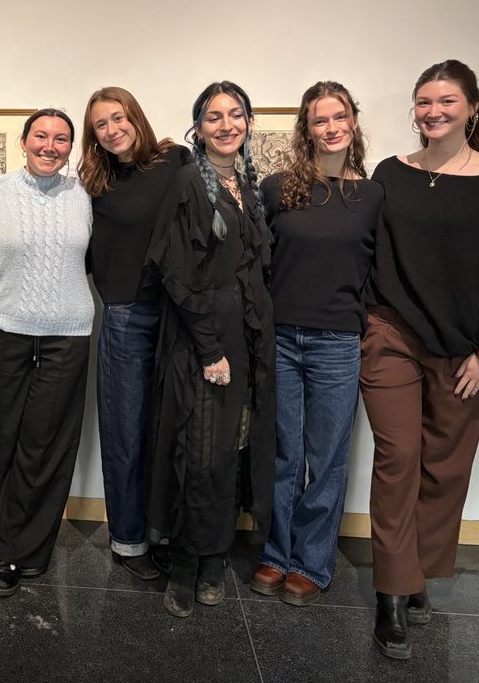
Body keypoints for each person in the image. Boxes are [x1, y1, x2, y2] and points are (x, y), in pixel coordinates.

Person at [361, 60, 479, 660]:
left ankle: (419, 575)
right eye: (423, 102)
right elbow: (364, 245)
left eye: (446, 102)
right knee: (399, 457)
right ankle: (391, 591)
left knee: (444, 467)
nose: (433, 112)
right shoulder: (390, 172)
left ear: (473, 108)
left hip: (465, 349)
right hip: (390, 335)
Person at [145, 81, 276, 618]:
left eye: (236, 115)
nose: (227, 125)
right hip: (202, 341)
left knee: (230, 450)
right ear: (197, 126)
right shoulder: (186, 184)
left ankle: (215, 556)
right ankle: (185, 563)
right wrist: (208, 349)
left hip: (244, 341)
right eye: (214, 116)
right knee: (195, 453)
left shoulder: (250, 183)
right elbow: (177, 274)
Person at [250, 82, 383, 606]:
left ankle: (311, 562)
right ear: (306, 129)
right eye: (319, 120)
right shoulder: (280, 187)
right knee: (283, 453)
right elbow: (259, 263)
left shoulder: (371, 195)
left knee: (326, 458)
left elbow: (379, 270)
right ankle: (276, 554)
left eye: (339, 116)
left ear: (353, 121)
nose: (330, 128)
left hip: (337, 343)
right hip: (281, 338)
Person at [0, 109, 94, 597]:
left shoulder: (86, 196)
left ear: (71, 147)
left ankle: (30, 551)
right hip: (7, 329)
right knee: (7, 439)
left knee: (47, 444)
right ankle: (5, 548)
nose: (50, 145)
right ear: (23, 142)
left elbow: (90, 261)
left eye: (61, 139)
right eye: (40, 136)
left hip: (70, 332)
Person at [79, 87, 191, 579]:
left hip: (176, 314)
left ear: (135, 118)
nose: (112, 129)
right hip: (125, 317)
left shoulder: (175, 161)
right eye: (101, 125)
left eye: (118, 118)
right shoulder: (95, 182)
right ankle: (128, 542)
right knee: (125, 432)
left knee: (170, 431)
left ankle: (165, 533)